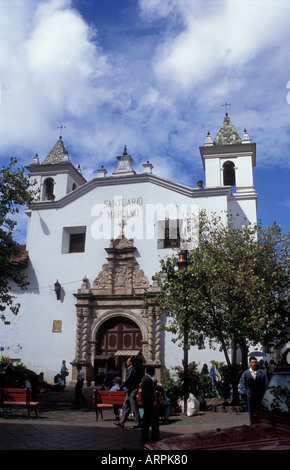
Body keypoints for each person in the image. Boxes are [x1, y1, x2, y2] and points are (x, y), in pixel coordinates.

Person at [114, 357, 141, 429]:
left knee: (134, 407)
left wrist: (121, 386)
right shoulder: (131, 369)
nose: (126, 362)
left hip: (132, 390)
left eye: (128, 361)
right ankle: (122, 422)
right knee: (126, 406)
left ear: (131, 362)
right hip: (129, 390)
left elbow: (128, 379)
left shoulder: (132, 369)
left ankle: (137, 422)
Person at [240, 356, 268, 423]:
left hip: (260, 397)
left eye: (255, 362)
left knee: (260, 414)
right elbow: (242, 385)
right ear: (249, 363)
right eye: (252, 362)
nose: (254, 364)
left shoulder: (262, 373)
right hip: (251, 397)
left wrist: (265, 394)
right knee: (252, 414)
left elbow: (266, 384)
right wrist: (247, 393)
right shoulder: (246, 373)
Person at [140, 367, 159, 442]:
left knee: (146, 420)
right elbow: (147, 392)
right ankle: (153, 436)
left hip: (147, 402)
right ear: (152, 371)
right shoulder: (147, 379)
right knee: (152, 420)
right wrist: (151, 399)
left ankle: (145, 436)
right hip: (148, 403)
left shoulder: (146, 379)